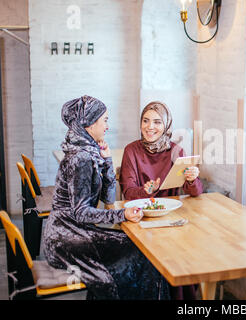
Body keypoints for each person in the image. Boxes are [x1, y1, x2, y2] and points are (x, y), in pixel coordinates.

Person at [43, 95, 171, 300]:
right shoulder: (81, 158)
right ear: (91, 123)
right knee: (144, 254)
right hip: (66, 237)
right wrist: (123, 215)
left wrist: (107, 160)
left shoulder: (89, 150)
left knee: (139, 251)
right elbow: (82, 213)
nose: (107, 126)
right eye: (105, 120)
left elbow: (108, 198)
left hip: (75, 231)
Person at [119, 101, 203, 299]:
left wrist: (192, 178)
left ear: (166, 125)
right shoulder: (131, 151)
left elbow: (196, 192)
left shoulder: (176, 151)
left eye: (157, 122)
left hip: (172, 220)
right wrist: (145, 190)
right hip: (141, 221)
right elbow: (128, 193)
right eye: (146, 121)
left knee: (184, 252)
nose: (150, 127)